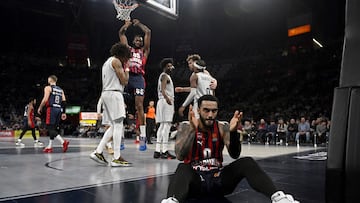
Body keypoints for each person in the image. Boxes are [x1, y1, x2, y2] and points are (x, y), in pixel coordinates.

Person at [161, 95, 299, 203]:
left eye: (214, 111)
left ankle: (278, 198)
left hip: (218, 180)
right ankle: (172, 200)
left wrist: (233, 132)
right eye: (206, 110)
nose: (210, 115)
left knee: (246, 162)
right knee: (182, 167)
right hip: (196, 182)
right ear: (198, 111)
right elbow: (180, 155)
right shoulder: (186, 126)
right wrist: (192, 129)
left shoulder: (222, 127)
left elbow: (234, 154)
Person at [90, 42, 131, 167]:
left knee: (114, 125)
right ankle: (116, 158)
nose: (126, 60)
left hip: (106, 94)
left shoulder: (107, 62)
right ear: (122, 55)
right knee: (118, 125)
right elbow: (124, 81)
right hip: (114, 93)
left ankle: (98, 151)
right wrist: (127, 69)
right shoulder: (117, 62)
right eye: (127, 57)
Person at [119, 19, 151, 151]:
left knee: (139, 107)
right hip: (126, 77)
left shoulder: (144, 52)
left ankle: (142, 137)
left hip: (138, 78)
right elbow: (121, 34)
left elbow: (148, 31)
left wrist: (139, 24)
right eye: (137, 40)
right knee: (121, 107)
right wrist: (125, 26)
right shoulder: (128, 49)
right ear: (133, 41)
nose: (139, 41)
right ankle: (120, 138)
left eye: (141, 40)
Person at [37, 75, 69, 153]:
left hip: (51, 109)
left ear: (50, 80)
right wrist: (64, 112)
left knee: (50, 128)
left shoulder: (48, 88)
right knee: (53, 129)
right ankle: (50, 146)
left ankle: (63, 142)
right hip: (59, 109)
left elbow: (45, 99)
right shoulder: (61, 90)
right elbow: (64, 102)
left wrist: (40, 107)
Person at [154, 58, 176, 159]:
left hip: (161, 101)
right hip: (165, 100)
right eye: (168, 66)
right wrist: (168, 99)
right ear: (164, 67)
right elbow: (163, 90)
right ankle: (164, 150)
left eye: (171, 66)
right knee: (166, 126)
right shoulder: (165, 76)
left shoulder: (163, 76)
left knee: (162, 126)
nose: (170, 67)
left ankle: (157, 150)